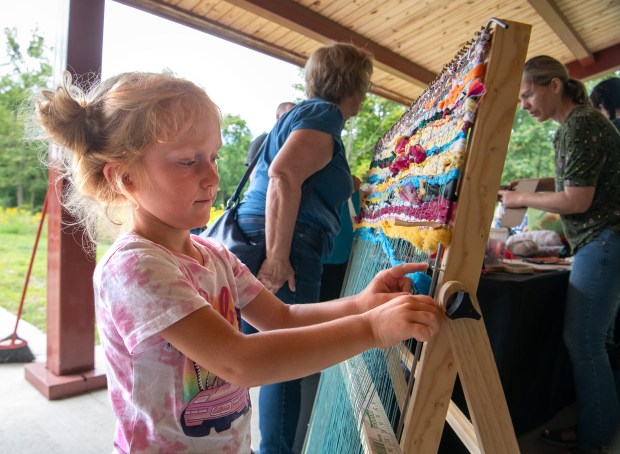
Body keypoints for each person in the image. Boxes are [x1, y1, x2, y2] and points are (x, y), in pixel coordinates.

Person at [32, 71, 440, 454]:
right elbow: (237, 361)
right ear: (125, 179)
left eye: (212, 156)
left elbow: (283, 318)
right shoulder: (135, 267)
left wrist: (361, 304)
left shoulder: (214, 255)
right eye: (188, 161)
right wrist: (370, 329)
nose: (212, 176)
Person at [235, 42, 373, 453]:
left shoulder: (307, 116)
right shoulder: (324, 114)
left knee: (275, 356)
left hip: (279, 236)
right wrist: (278, 260)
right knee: (286, 362)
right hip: (290, 244)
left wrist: (345, 183)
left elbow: (301, 173)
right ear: (355, 83)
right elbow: (283, 175)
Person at [499, 56, 620, 453]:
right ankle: (595, 428)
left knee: (585, 342)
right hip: (601, 242)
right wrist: (536, 183)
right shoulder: (577, 125)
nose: (524, 104)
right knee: (593, 341)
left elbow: (577, 198)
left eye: (527, 93)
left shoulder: (582, 123)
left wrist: (519, 197)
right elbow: (580, 177)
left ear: (554, 85)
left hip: (602, 241)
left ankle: (596, 440)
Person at [245, 102, 296, 166]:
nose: (293, 119)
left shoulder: (295, 142)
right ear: (278, 116)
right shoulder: (263, 140)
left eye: (296, 115)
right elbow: (252, 171)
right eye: (289, 115)